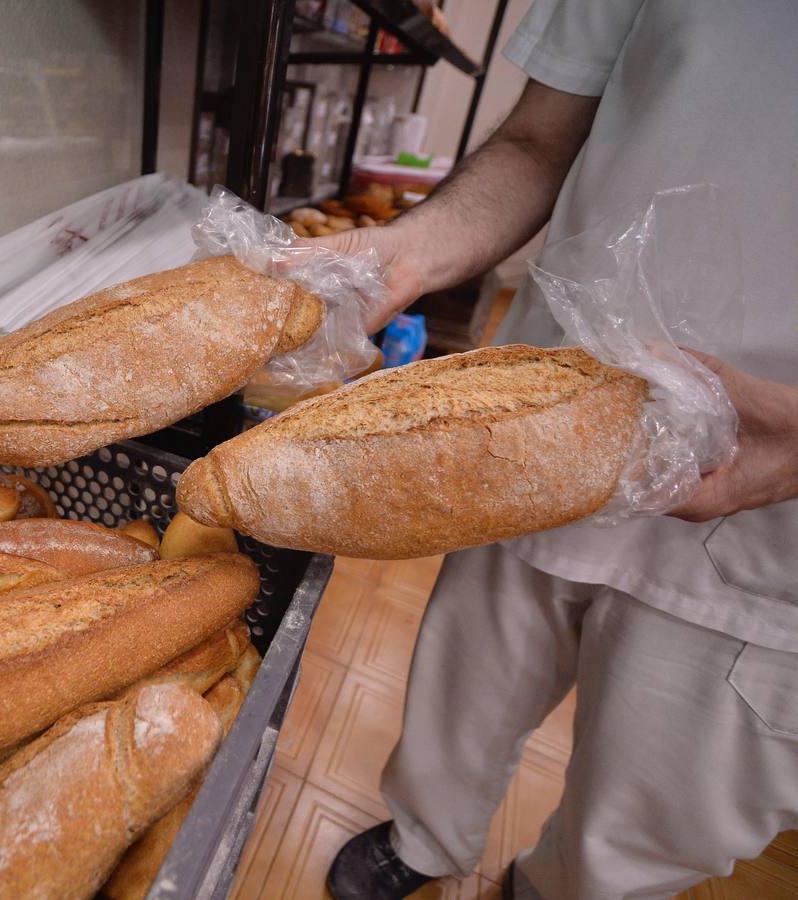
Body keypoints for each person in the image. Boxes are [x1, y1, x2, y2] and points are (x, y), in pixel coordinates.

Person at [305, 2, 798, 898]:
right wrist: (408, 255)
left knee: (659, 806)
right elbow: (537, 141)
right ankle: (424, 835)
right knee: (465, 683)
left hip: (777, 525)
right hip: (544, 414)